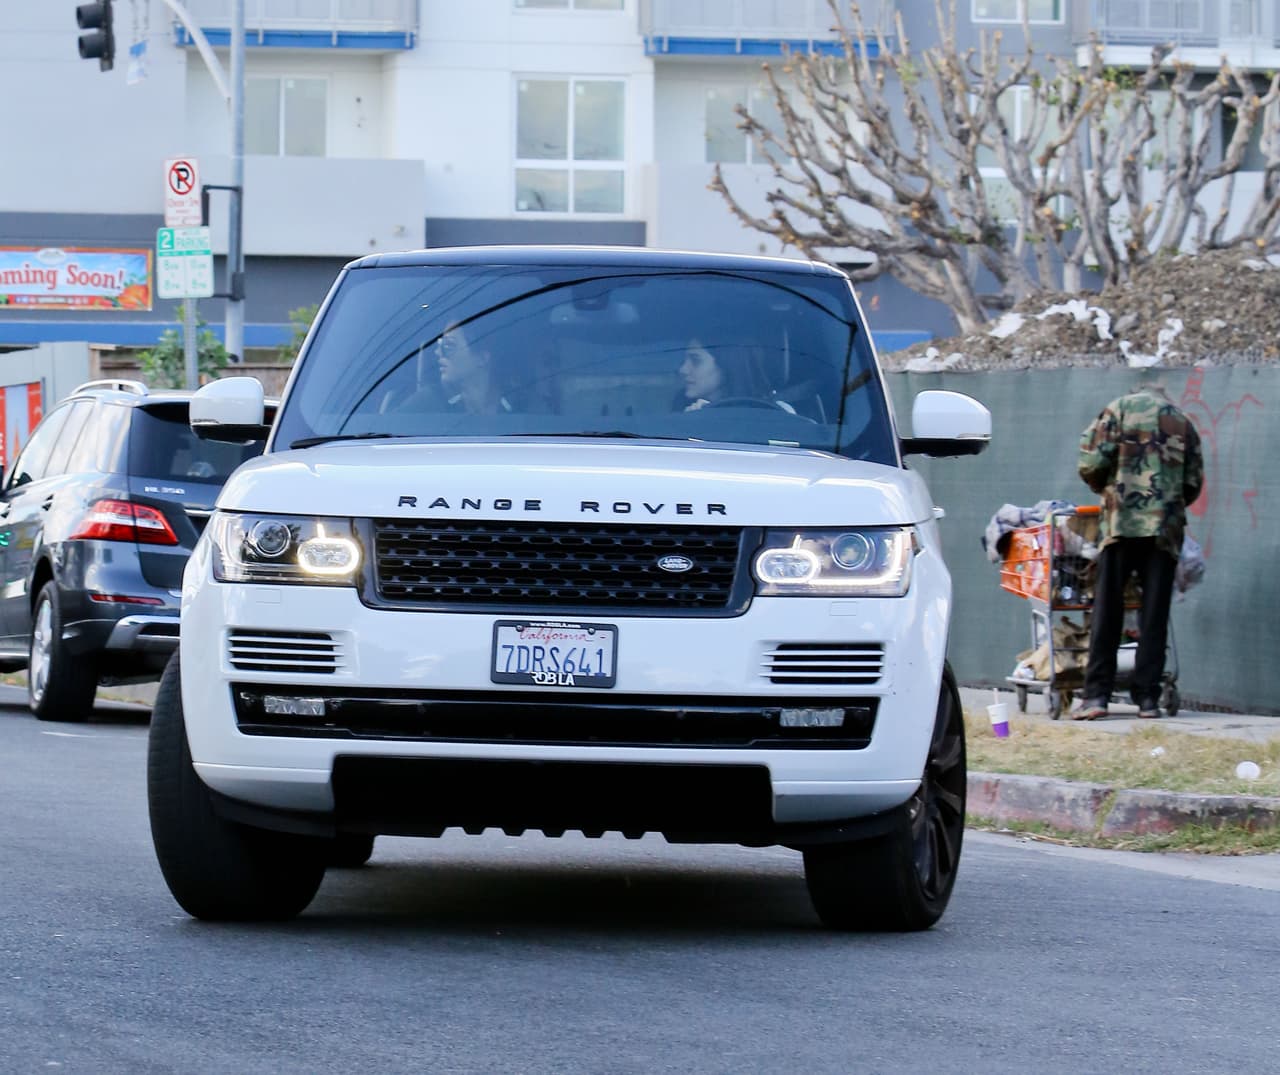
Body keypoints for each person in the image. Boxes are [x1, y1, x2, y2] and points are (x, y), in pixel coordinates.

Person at [1073, 368, 1204, 721]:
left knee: (1107, 611)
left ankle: (1096, 697)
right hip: (1164, 529)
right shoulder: (1181, 421)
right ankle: (1147, 700)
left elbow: (1090, 462)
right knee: (1154, 615)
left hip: (1120, 524)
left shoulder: (1116, 411)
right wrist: (1169, 504)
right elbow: (1193, 481)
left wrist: (1106, 489)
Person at [677, 336, 791, 412]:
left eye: (695, 360)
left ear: (726, 364)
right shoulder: (678, 411)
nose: (683, 369)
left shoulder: (777, 413)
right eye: (684, 360)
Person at [437, 322, 512, 415]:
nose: (438, 352)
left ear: (482, 358)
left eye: (449, 345)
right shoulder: (431, 406)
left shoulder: (521, 405)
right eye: (440, 345)